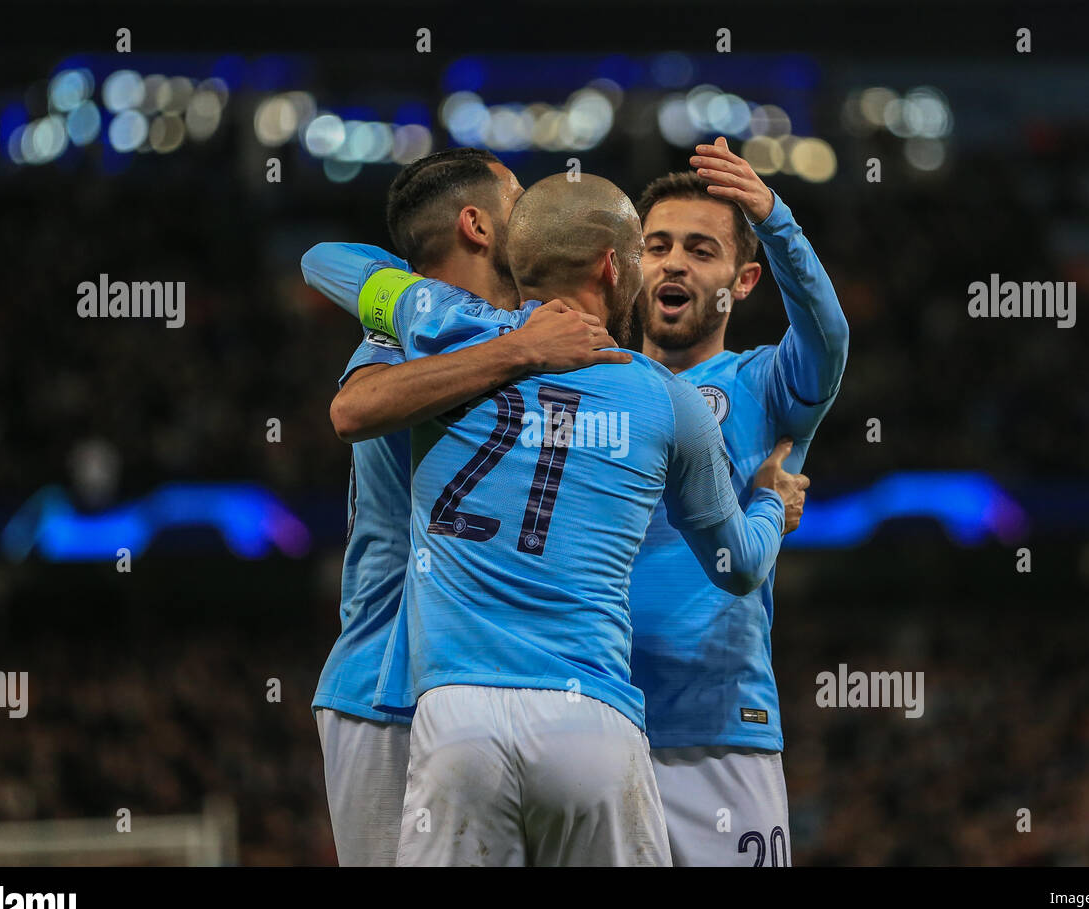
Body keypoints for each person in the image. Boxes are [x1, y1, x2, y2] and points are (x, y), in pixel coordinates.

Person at [344, 173, 803, 865]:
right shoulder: (661, 396)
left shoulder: (442, 345)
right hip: (589, 715)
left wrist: (486, 335)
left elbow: (325, 263)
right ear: (616, 267)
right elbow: (737, 565)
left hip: (454, 713)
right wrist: (770, 502)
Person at [303, 148, 624, 865]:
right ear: (477, 226)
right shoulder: (402, 334)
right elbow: (354, 408)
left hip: (513, 687)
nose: (540, 219)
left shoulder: (547, 333)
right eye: (520, 203)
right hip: (388, 689)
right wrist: (514, 351)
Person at [627, 137, 849, 865]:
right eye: (656, 245)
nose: (674, 263)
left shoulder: (764, 386)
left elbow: (826, 338)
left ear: (743, 278)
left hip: (720, 731)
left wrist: (776, 219)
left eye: (700, 249)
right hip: (592, 724)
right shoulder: (590, 381)